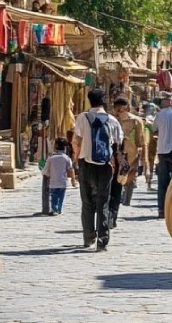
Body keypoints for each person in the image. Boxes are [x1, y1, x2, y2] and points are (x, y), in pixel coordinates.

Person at [72, 88, 124, 251]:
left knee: (87, 202)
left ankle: (89, 237)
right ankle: (103, 239)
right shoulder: (112, 120)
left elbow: (76, 140)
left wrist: (76, 158)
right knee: (103, 201)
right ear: (104, 101)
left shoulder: (82, 117)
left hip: (86, 163)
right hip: (106, 165)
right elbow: (118, 142)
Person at [112, 97, 147, 209]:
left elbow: (141, 141)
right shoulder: (111, 119)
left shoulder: (135, 121)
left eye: (121, 109)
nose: (118, 111)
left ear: (126, 108)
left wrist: (144, 161)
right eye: (116, 108)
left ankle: (127, 199)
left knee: (130, 178)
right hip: (115, 154)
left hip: (131, 155)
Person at [43, 139, 77, 215]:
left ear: (56, 146)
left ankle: (54, 209)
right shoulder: (66, 158)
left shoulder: (51, 158)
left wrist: (47, 175)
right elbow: (71, 169)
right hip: (63, 182)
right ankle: (59, 209)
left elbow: (46, 171)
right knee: (61, 197)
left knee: (54, 196)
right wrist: (73, 180)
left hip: (53, 181)